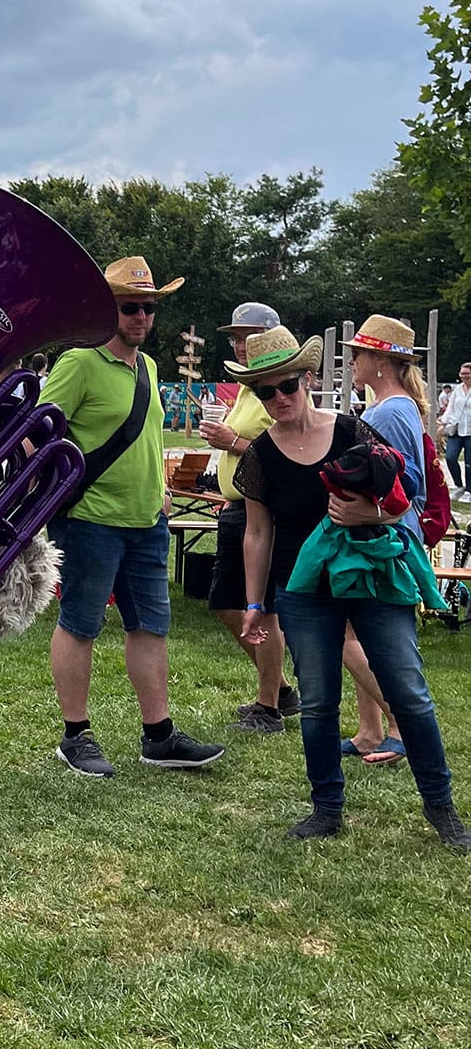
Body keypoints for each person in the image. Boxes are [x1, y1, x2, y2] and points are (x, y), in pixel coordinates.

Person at [234, 326, 469, 851]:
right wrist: (254, 603)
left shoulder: (354, 431)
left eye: (287, 386)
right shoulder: (260, 457)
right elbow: (257, 531)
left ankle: (442, 810)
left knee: (409, 694)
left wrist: (370, 511)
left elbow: (407, 494)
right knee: (317, 702)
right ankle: (326, 809)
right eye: (264, 392)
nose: (278, 400)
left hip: (371, 578)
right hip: (303, 590)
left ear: (309, 379)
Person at [40, 256, 226, 777]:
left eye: (147, 308)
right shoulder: (78, 362)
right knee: (80, 623)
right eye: (131, 308)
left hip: (147, 520)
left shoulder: (148, 368)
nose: (141, 317)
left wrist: (162, 490)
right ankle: (75, 735)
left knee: (151, 627)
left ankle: (158, 736)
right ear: (107, 310)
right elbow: (40, 433)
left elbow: (145, 436)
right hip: (90, 519)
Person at [200, 301, 298, 732]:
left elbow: (284, 453)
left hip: (261, 513)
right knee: (225, 602)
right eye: (235, 339)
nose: (239, 345)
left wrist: (231, 440)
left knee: (264, 610)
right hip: (237, 508)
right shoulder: (246, 386)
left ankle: (270, 705)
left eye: (246, 337)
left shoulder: (279, 390)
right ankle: (279, 689)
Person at [338, 314, 431, 765]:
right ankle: (369, 731)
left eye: (357, 354)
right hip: (380, 530)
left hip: (382, 534)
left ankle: (401, 724)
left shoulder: (391, 411)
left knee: (350, 632)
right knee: (359, 628)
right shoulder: (392, 407)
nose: (351, 361)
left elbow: (408, 481)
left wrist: (364, 511)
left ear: (379, 360)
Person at [440, 361, 471, 501]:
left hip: (470, 430)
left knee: (469, 462)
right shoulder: (457, 390)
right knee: (450, 457)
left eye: (467, 374)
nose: (464, 376)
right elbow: (451, 408)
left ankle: (469, 490)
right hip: (456, 429)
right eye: (462, 374)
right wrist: (443, 423)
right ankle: (458, 485)